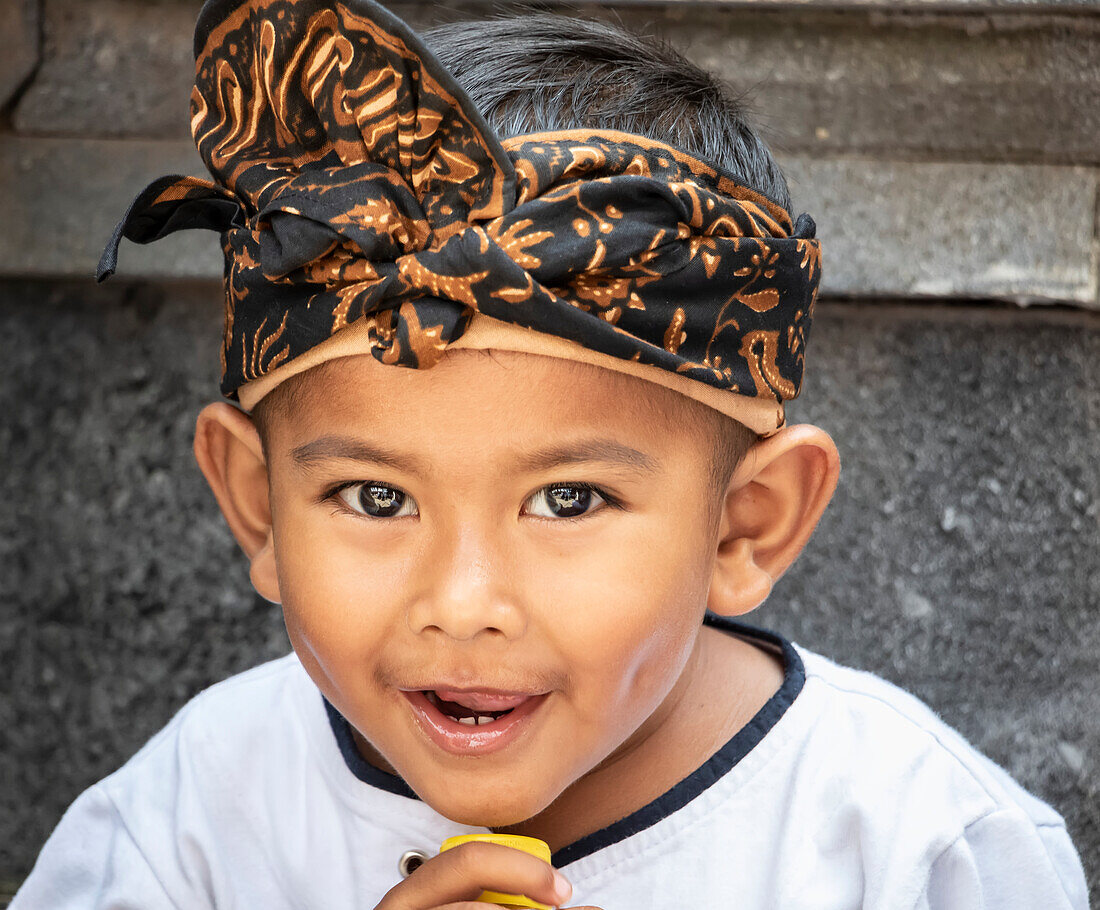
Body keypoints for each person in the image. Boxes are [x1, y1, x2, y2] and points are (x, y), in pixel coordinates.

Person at [11, 0, 1089, 907]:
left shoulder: (919, 854)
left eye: (567, 497)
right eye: (375, 496)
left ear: (745, 522)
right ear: (256, 509)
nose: (465, 601)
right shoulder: (189, 823)